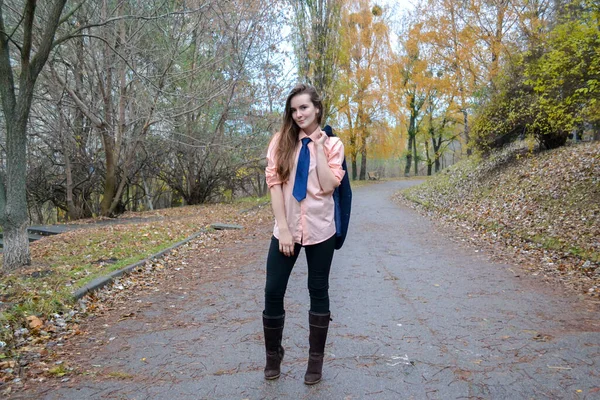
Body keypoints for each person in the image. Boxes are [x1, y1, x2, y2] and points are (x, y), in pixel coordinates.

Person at [262, 83, 345, 385]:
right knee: (273, 291)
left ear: (317, 109)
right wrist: (283, 228)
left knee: (318, 290)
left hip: (320, 229)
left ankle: (315, 362)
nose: (298, 114)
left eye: (304, 108)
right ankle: (274, 355)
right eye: (294, 109)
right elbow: (274, 185)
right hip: (286, 229)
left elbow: (327, 185)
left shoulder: (334, 146)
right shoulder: (280, 142)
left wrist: (320, 147)